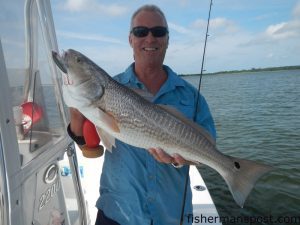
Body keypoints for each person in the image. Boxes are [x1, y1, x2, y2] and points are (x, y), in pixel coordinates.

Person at [67, 4, 216, 225]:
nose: (150, 38)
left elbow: (208, 147)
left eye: (158, 32)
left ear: (167, 39)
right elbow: (88, 147)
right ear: (130, 39)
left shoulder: (192, 97)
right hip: (117, 213)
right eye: (140, 32)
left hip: (172, 216)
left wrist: (181, 160)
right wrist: (76, 109)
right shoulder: (110, 87)